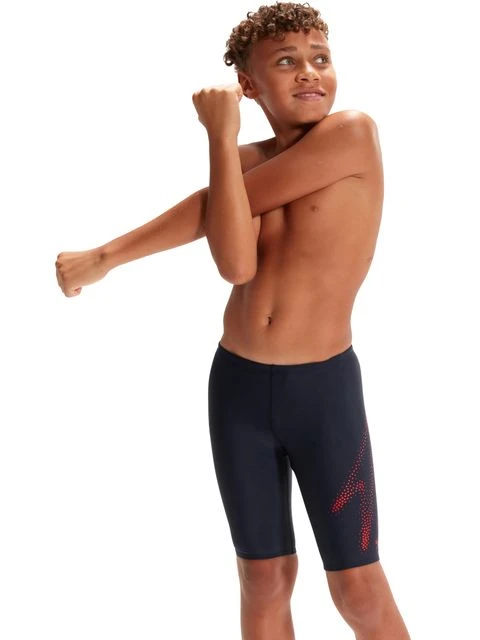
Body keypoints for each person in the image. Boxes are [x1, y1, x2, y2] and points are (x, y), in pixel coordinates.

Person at [55, 2, 411, 638]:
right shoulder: (241, 161)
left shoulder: (353, 134)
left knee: (356, 588)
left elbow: (214, 209)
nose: (310, 72)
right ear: (248, 85)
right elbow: (236, 264)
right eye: (287, 61)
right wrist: (221, 140)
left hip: (321, 391)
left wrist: (104, 256)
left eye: (321, 58)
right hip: (238, 387)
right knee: (262, 579)